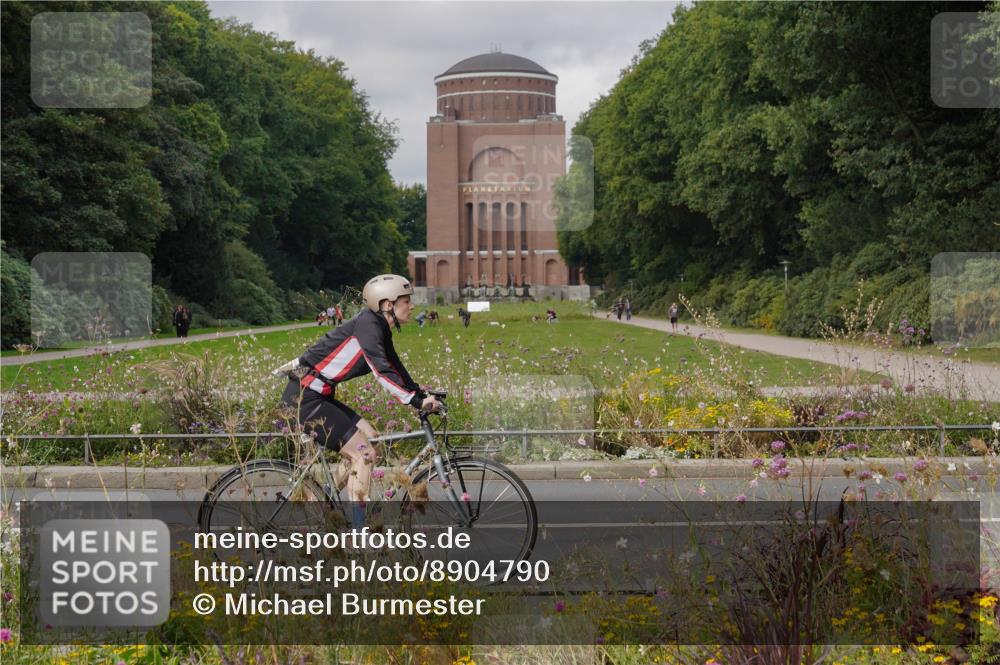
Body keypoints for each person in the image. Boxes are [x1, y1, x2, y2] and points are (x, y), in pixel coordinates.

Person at [280, 274, 441, 524]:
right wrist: (416, 401)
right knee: (363, 454)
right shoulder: (369, 325)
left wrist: (420, 394)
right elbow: (381, 371)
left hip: (317, 395)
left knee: (371, 439)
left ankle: (325, 501)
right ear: (388, 304)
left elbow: (395, 368)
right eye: (406, 301)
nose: (412, 306)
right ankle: (360, 533)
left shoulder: (379, 327)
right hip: (304, 399)